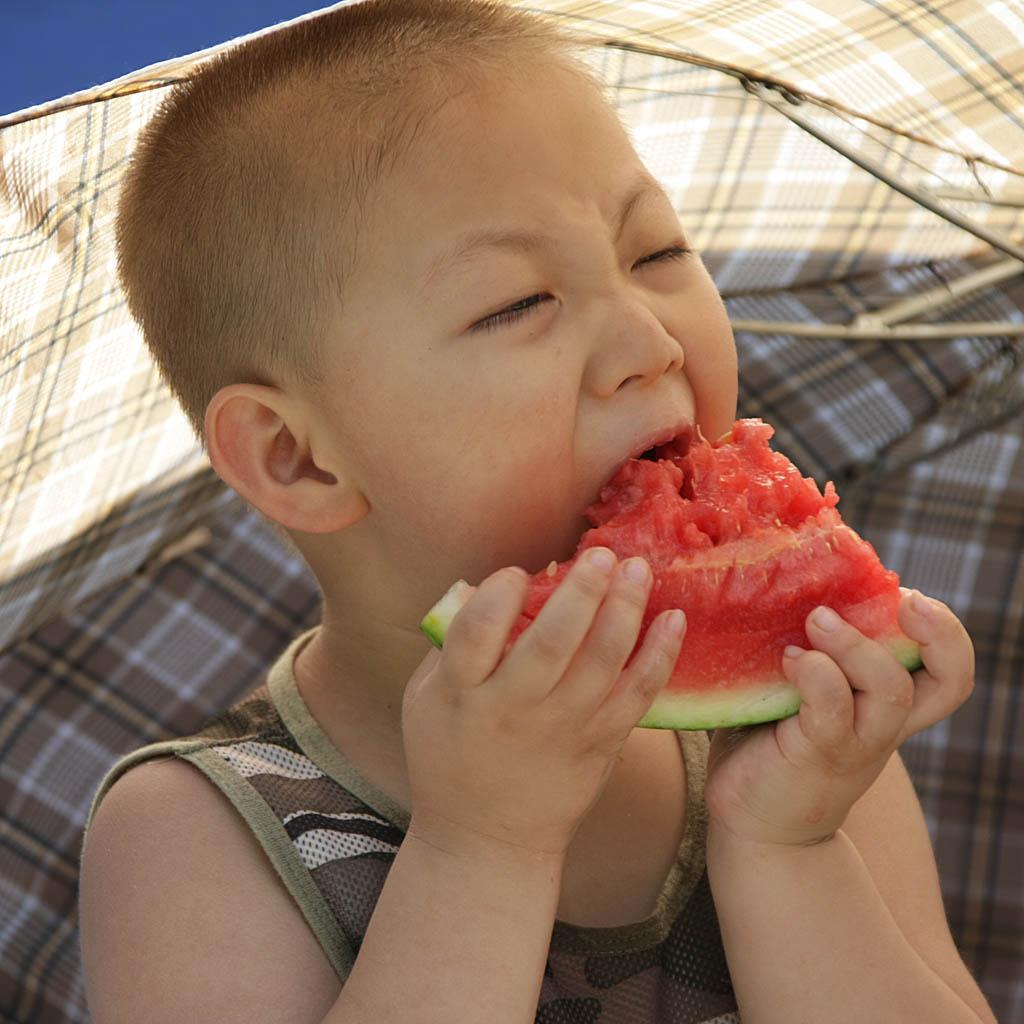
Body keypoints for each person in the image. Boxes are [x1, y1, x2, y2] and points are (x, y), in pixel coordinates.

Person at [78, 1, 996, 1021]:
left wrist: (786, 845)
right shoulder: (197, 832)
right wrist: (482, 849)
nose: (648, 337)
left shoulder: (803, 734)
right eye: (515, 303)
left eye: (654, 252)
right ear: (298, 457)